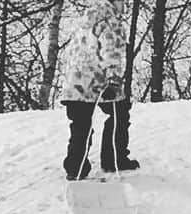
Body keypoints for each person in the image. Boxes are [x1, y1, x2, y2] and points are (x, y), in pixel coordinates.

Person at [59, 0, 140, 180]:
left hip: (74, 82)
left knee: (81, 125)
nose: (124, 6)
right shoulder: (111, 21)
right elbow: (112, 51)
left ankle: (76, 168)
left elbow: (72, 51)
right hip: (97, 81)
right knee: (119, 114)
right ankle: (114, 159)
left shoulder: (85, 19)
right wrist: (113, 80)